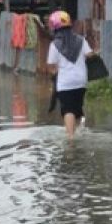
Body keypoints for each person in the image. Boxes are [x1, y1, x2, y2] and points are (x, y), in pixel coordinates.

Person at [45, 10, 95, 139]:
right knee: (77, 108)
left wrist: (55, 72)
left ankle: (71, 138)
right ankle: (76, 133)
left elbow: (51, 65)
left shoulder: (54, 45)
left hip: (65, 82)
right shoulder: (81, 40)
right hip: (81, 81)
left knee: (68, 109)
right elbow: (90, 55)